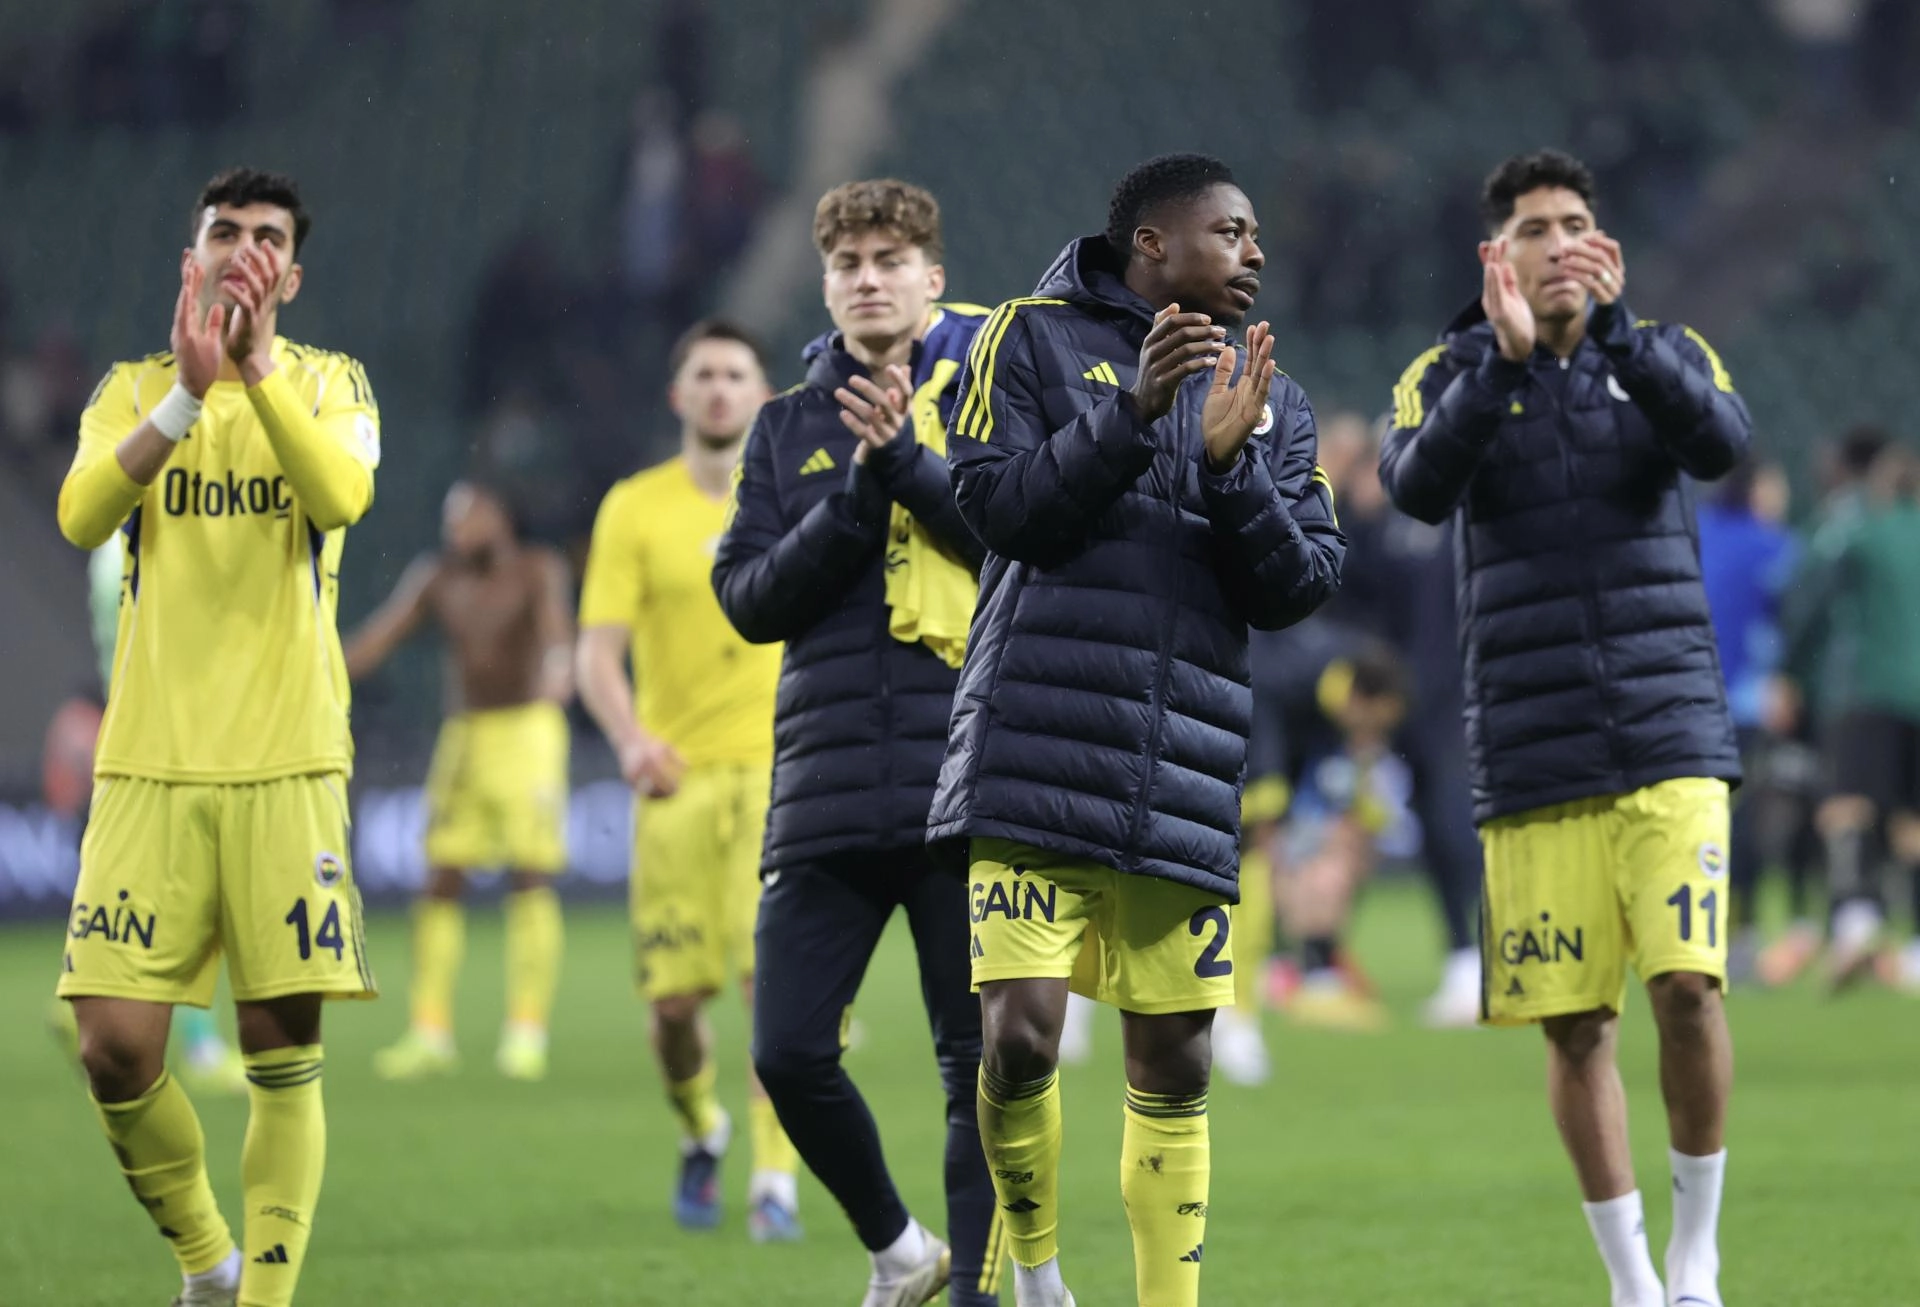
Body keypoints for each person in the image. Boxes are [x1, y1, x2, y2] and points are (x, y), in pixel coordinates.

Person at [929, 153, 1345, 1307]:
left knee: (1175, 1064)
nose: (1255, 251)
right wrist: (1133, 415)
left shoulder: (1275, 396)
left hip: (1182, 771)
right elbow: (997, 508)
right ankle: (1039, 1277)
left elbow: (1300, 584)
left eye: (1255, 235)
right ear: (1153, 243)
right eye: (1232, 230)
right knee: (1018, 1038)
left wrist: (1230, 466)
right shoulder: (1027, 338)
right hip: (1036, 752)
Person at [1380, 148, 1750, 1307]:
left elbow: (1721, 444)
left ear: (1605, 245)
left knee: (1688, 989)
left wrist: (1625, 340)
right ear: (1497, 254)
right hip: (1534, 746)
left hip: (1670, 724)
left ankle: (1696, 1253)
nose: (1559, 245)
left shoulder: (1667, 350)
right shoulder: (1444, 371)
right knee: (1578, 1027)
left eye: (1576, 223)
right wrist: (1500, 365)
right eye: (1535, 228)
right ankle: (1632, 1279)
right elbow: (1414, 488)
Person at [54, 167, 379, 1307]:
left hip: (288, 758)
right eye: (224, 231)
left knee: (279, 1052)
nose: (245, 249)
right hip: (149, 761)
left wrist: (252, 373)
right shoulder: (132, 390)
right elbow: (81, 515)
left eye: (267, 237)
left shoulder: (333, 383)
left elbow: (338, 498)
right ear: (190, 260)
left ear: (292, 275)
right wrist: (188, 399)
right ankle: (208, 1260)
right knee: (113, 1048)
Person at [711, 180, 998, 1306]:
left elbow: (1022, 539)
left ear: (934, 276)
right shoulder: (786, 427)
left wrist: (912, 468)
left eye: (890, 258)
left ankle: (975, 1291)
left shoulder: (989, 399)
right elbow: (747, 598)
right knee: (785, 1051)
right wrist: (854, 503)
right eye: (848, 263)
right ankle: (899, 1247)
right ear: (826, 286)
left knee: (977, 1069)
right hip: (825, 789)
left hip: (964, 782)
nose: (868, 278)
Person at [575, 319, 803, 1240]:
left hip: (780, 779)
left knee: (772, 993)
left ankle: (775, 1182)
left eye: (735, 374)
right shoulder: (634, 507)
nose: (718, 388)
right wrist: (630, 739)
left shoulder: (796, 495)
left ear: (763, 396)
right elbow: (597, 652)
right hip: (674, 782)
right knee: (673, 1009)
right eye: (703, 374)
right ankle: (702, 1125)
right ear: (679, 395)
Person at [342, 479, 573, 1081]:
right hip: (465, 736)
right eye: (451, 518)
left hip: (527, 731)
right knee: (440, 877)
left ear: (498, 517)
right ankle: (430, 1031)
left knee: (529, 874)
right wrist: (321, 671)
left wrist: (559, 666)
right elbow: (381, 636)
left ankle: (526, 1032)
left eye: (466, 515)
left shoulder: (536, 569)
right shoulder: (437, 577)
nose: (456, 529)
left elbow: (556, 631)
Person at [1779, 440, 1920, 990]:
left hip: (1868, 688)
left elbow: (1808, 601)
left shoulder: (1857, 533)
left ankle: (1856, 921)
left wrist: (1789, 672)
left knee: (1846, 806)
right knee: (1911, 821)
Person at [1694, 459, 1800, 984]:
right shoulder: (1773, 546)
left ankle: (1690, 936)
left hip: (1687, 699)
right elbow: (1793, 617)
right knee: (1747, 820)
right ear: (1757, 491)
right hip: (1747, 702)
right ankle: (1743, 939)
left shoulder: (1696, 531)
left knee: (1697, 820)